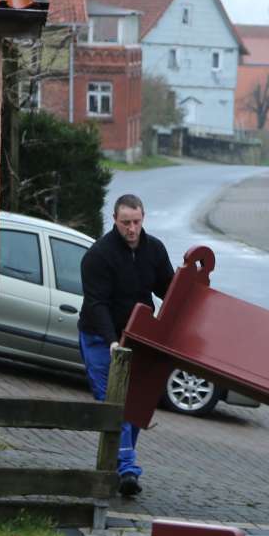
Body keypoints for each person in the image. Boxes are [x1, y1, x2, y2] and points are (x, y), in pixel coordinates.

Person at [77, 193, 173, 497]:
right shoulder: (98, 256)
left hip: (138, 337)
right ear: (114, 221)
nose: (132, 229)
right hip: (98, 336)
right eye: (125, 223)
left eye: (136, 222)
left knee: (133, 403)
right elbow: (96, 304)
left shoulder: (154, 250)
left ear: (143, 218)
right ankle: (128, 468)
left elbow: (169, 290)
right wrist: (111, 341)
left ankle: (113, 469)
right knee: (111, 399)